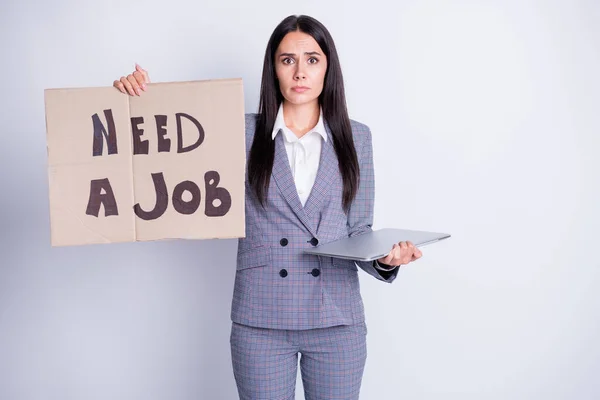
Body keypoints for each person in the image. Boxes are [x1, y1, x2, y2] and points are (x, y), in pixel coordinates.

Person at [113, 14, 422, 400]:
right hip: (260, 319)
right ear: (273, 68)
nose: (299, 72)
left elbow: (358, 231)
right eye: (287, 59)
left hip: (336, 319)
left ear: (328, 67)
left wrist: (385, 260)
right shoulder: (237, 131)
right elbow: (165, 154)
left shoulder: (357, 137)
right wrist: (136, 98)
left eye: (312, 59)